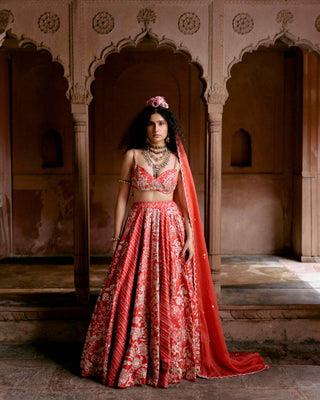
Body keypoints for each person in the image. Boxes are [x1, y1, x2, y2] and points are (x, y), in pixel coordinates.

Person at [80, 96, 268, 388]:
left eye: (162, 124)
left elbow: (185, 204)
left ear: (169, 129)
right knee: (130, 291)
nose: (156, 129)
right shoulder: (132, 156)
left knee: (169, 292)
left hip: (171, 229)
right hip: (138, 226)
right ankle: (129, 359)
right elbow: (120, 199)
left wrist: (191, 236)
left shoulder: (177, 161)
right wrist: (117, 236)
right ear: (145, 128)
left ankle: (168, 360)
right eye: (152, 124)